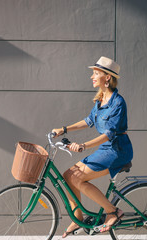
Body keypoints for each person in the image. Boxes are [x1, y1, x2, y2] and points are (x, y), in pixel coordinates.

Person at [52, 56, 133, 238]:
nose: (92, 77)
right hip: (106, 150)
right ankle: (77, 217)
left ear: (107, 78)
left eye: (96, 73)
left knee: (78, 178)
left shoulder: (117, 103)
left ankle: (112, 211)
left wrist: (83, 145)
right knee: (67, 176)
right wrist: (64, 129)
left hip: (117, 150)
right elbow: (88, 121)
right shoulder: (101, 100)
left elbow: (108, 135)